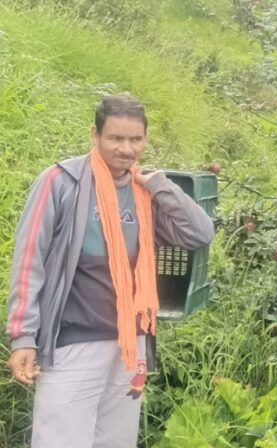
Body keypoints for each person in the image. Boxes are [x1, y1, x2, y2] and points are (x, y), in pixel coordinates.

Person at [6, 93, 215, 448]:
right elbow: (29, 260)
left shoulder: (143, 192)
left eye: (135, 139)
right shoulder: (60, 182)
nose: (126, 149)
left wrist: (161, 185)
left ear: (145, 140)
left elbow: (199, 233)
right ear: (95, 135)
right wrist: (23, 335)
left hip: (130, 346)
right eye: (116, 138)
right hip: (72, 344)